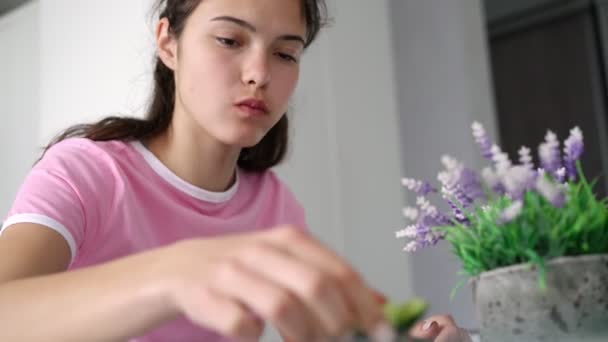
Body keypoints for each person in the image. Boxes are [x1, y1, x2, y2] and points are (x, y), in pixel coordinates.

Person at [0, 0, 471, 341]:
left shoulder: (275, 205)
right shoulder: (86, 171)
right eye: (230, 40)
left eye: (285, 53)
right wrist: (177, 272)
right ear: (168, 42)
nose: (259, 73)